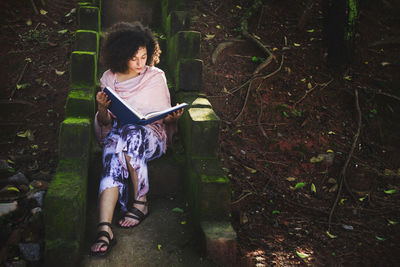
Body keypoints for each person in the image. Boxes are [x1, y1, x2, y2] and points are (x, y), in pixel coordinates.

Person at [90, 21, 183, 256]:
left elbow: (164, 120)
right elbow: (105, 123)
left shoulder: (156, 76)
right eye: (134, 58)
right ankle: (104, 227)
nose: (141, 63)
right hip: (120, 135)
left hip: (152, 137)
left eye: (144, 56)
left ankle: (140, 201)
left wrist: (172, 118)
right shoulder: (109, 79)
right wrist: (101, 108)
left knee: (131, 133)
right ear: (121, 56)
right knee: (112, 151)